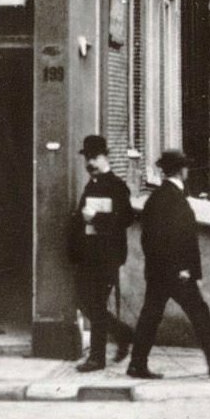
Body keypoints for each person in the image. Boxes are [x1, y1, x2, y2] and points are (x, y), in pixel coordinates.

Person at [126, 150, 210, 381]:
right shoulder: (173, 199)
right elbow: (177, 239)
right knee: (199, 313)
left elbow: (149, 239)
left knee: (151, 316)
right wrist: (183, 269)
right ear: (181, 170)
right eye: (186, 167)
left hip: (159, 272)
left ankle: (137, 364)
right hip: (176, 274)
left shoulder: (157, 197)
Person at [67, 134, 135, 372]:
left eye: (94, 157)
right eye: (87, 158)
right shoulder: (92, 185)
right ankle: (123, 333)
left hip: (107, 256)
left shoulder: (117, 186)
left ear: (106, 157)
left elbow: (126, 219)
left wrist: (95, 218)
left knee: (94, 304)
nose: (90, 163)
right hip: (89, 257)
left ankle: (97, 358)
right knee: (84, 302)